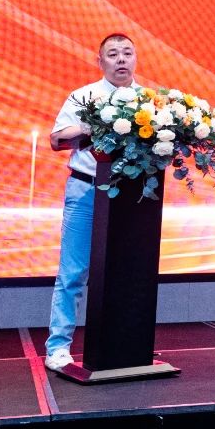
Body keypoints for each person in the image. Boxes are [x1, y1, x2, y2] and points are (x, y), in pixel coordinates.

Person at [44, 33, 138, 371]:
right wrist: (89, 125)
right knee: (73, 272)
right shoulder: (83, 96)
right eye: (113, 54)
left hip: (131, 197)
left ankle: (125, 345)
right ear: (100, 62)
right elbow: (56, 140)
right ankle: (58, 347)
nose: (121, 59)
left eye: (127, 53)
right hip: (86, 191)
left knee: (128, 274)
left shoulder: (150, 103)